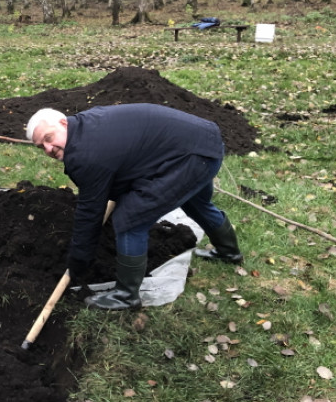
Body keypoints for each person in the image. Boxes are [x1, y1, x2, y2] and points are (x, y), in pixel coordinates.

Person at [26, 103, 243, 311]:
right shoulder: (86, 124)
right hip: (203, 141)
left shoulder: (84, 155)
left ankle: (126, 295)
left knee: (129, 219)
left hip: (194, 158)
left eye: (49, 138)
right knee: (196, 203)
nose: (48, 148)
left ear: (63, 124)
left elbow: (90, 211)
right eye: (40, 147)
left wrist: (78, 260)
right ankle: (229, 252)